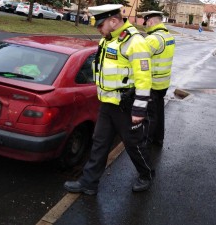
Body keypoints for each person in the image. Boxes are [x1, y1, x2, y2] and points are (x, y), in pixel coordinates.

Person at [64, 4, 154, 195]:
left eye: (100, 25)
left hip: (126, 106)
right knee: (99, 143)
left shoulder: (135, 41)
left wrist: (139, 110)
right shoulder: (108, 39)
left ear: (113, 21)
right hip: (108, 103)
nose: (98, 29)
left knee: (133, 144)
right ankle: (89, 183)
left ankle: (146, 174)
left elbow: (144, 79)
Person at [139, 11, 175, 148]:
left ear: (151, 22)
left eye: (146, 23)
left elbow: (139, 59)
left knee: (150, 117)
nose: (146, 26)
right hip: (163, 83)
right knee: (159, 113)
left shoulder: (153, 39)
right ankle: (158, 140)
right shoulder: (168, 36)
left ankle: (145, 145)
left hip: (152, 84)